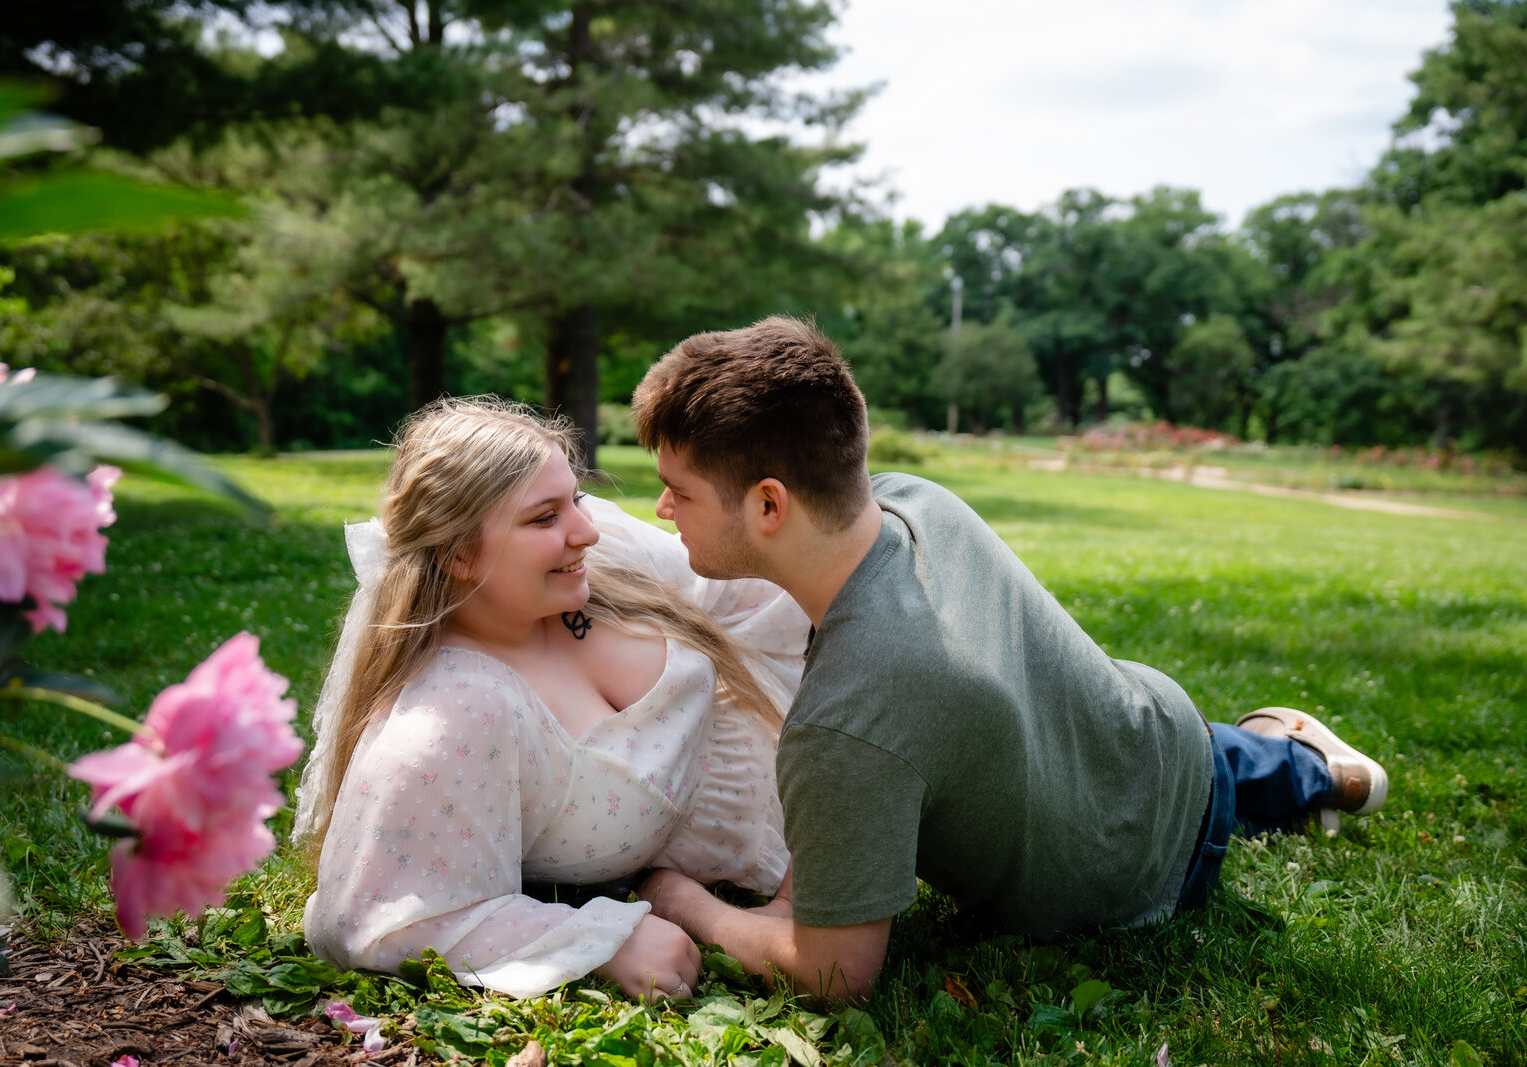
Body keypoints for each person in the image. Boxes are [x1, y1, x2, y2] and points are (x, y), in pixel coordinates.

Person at [629, 316, 1389, 1001]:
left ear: (769, 506)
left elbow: (834, 971)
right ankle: (1326, 773)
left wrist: (682, 898)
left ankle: (1315, 768)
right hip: (1159, 735)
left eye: (678, 491)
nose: (663, 510)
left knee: (1227, 783)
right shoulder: (909, 502)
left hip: (1136, 875)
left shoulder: (849, 722)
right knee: (1232, 763)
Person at [292, 397, 809, 1002]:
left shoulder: (595, 560)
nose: (584, 530)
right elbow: (369, 918)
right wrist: (598, 940)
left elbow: (766, 596)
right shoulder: (457, 711)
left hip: (816, 805)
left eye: (576, 501)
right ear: (457, 554)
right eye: (544, 518)